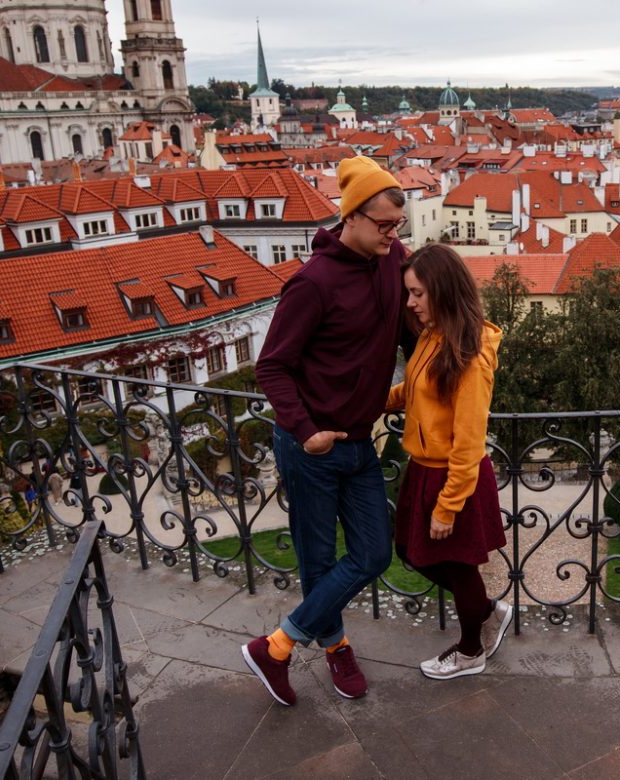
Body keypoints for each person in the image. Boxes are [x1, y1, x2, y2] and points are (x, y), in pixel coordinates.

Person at [242, 156, 409, 706]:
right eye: (384, 224)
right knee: (318, 560)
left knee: (373, 552)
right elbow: (271, 367)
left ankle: (277, 646)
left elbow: (413, 332)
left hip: (361, 442)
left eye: (398, 224)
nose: (394, 233)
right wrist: (306, 430)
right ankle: (336, 648)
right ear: (352, 218)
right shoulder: (312, 283)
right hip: (309, 447)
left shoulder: (395, 260)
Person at [386, 244, 512, 680]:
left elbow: (469, 440)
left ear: (442, 288)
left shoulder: (471, 354)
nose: (411, 303)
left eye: (418, 293)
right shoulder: (431, 336)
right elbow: (414, 390)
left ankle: (470, 651)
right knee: (410, 551)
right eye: (409, 293)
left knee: (459, 568)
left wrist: (448, 504)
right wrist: (375, 402)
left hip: (453, 475)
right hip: (423, 469)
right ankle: (490, 613)